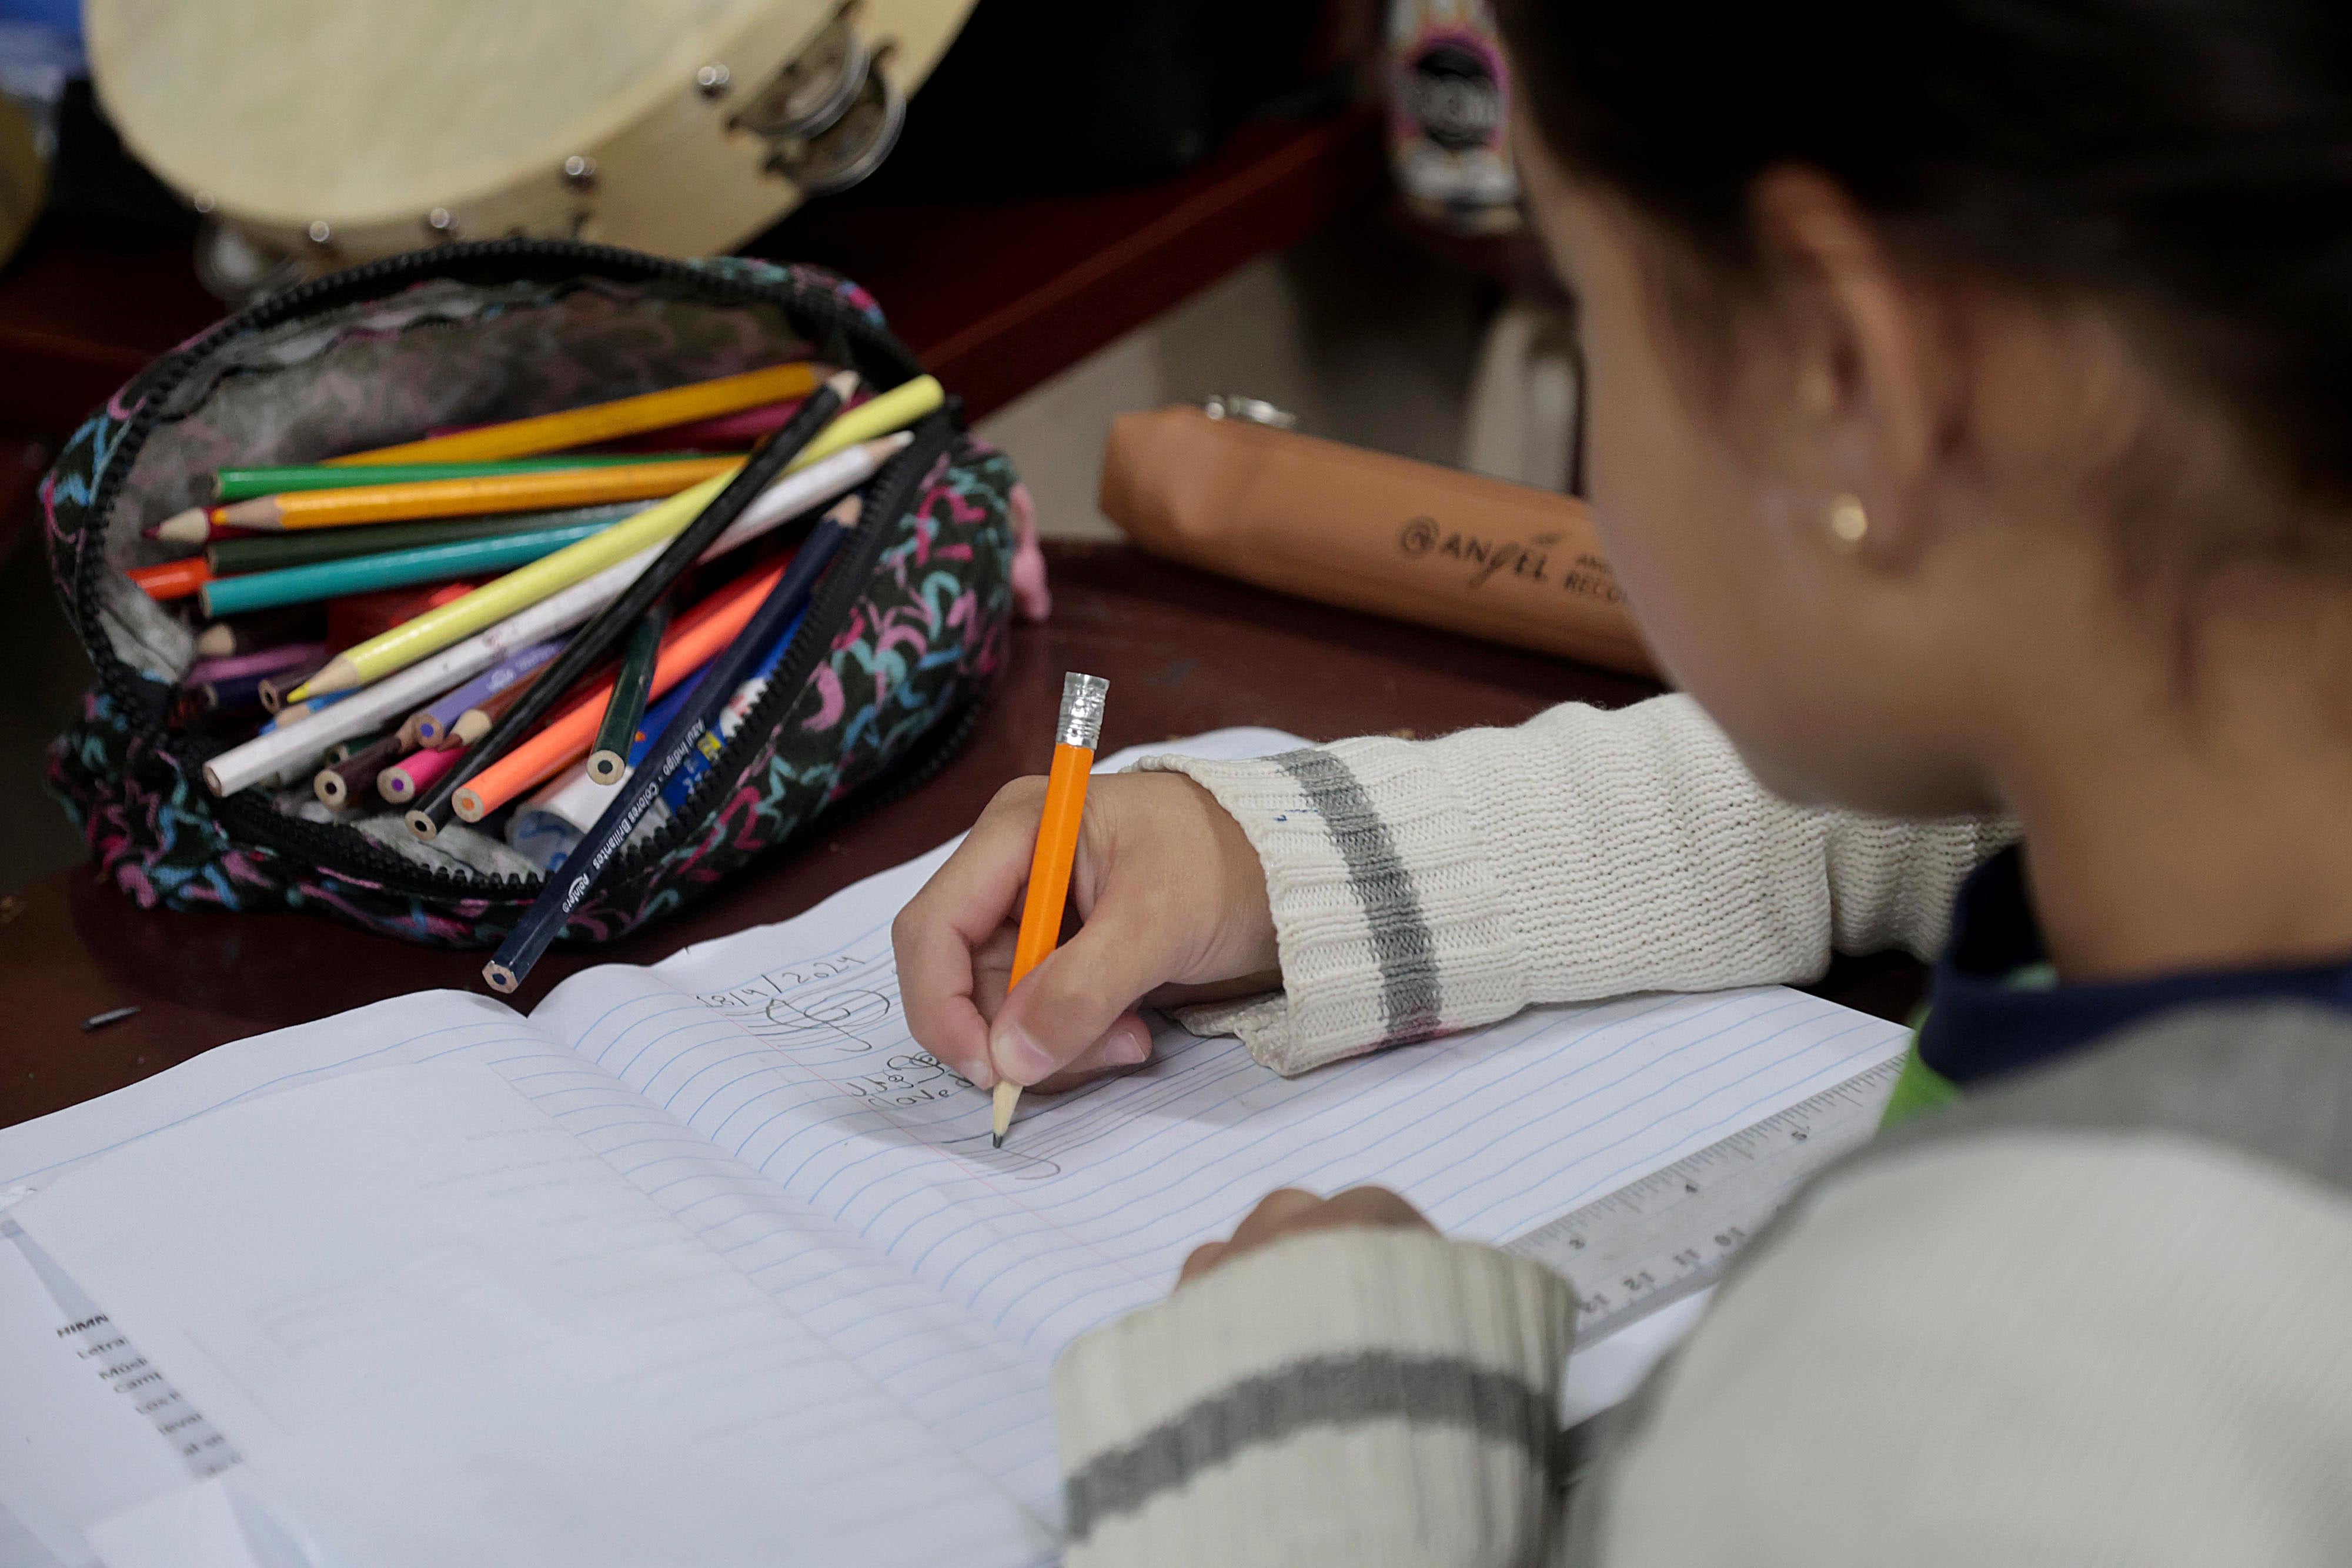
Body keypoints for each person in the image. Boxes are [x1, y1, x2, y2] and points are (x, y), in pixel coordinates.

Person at [892, 4, 2352, 1561]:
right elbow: (1953, 806)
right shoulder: (2215, 765)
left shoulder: (1970, 1408)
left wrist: (1315, 1458)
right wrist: (1290, 867)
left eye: (1588, 302)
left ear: (1839, 373)